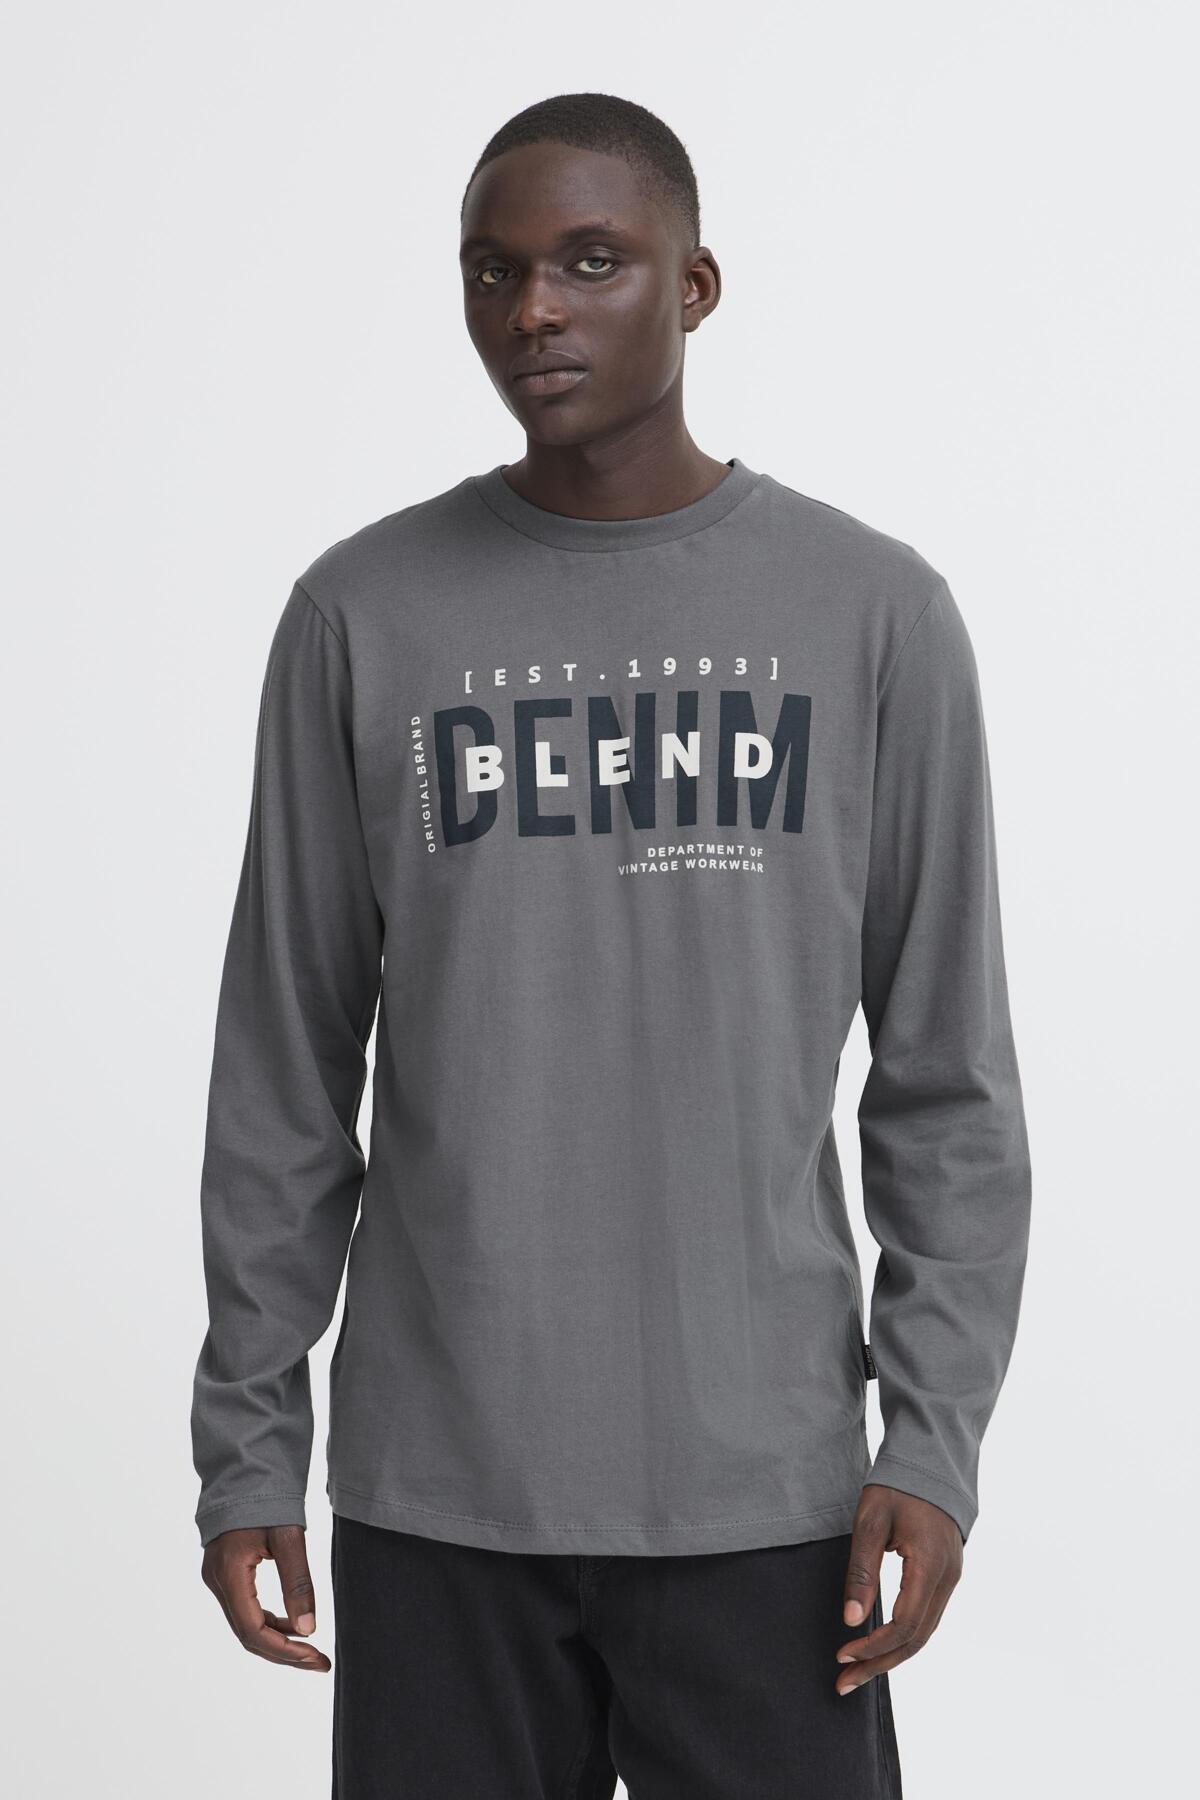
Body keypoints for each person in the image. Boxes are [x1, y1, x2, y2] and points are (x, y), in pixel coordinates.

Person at [191, 91, 1032, 1799]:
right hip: (441, 1494)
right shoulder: (363, 615)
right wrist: (248, 1444)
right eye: (492, 271)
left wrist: (932, 1447)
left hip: (768, 1493)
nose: (535, 311)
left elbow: (948, 1083)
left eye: (591, 262)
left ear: (695, 284)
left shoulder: (873, 615)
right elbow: (284, 1069)